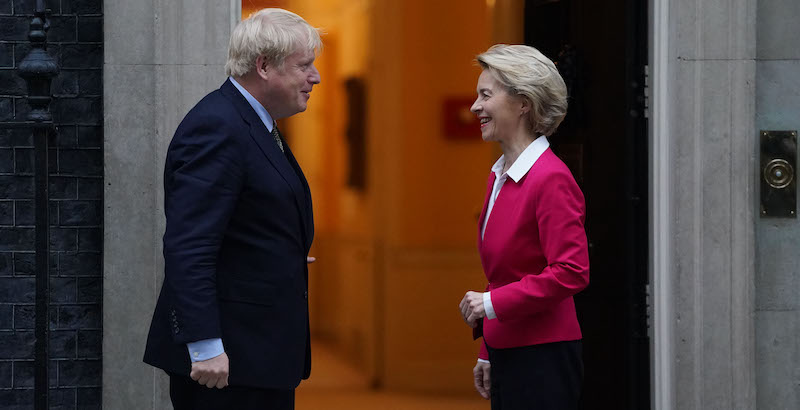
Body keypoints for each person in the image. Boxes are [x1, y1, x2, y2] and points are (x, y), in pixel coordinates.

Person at [143, 8, 321, 410]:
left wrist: (277, 253)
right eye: (305, 66)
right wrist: (204, 346)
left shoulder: (253, 122)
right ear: (263, 66)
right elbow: (190, 244)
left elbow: (244, 221)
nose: (315, 77)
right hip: (226, 365)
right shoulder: (219, 126)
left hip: (257, 355)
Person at [458, 44, 590, 409]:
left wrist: (490, 304)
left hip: (543, 356)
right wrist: (488, 347)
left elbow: (571, 272)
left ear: (523, 103)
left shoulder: (550, 178)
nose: (475, 107)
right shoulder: (499, 175)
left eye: (486, 95)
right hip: (508, 348)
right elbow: (504, 274)